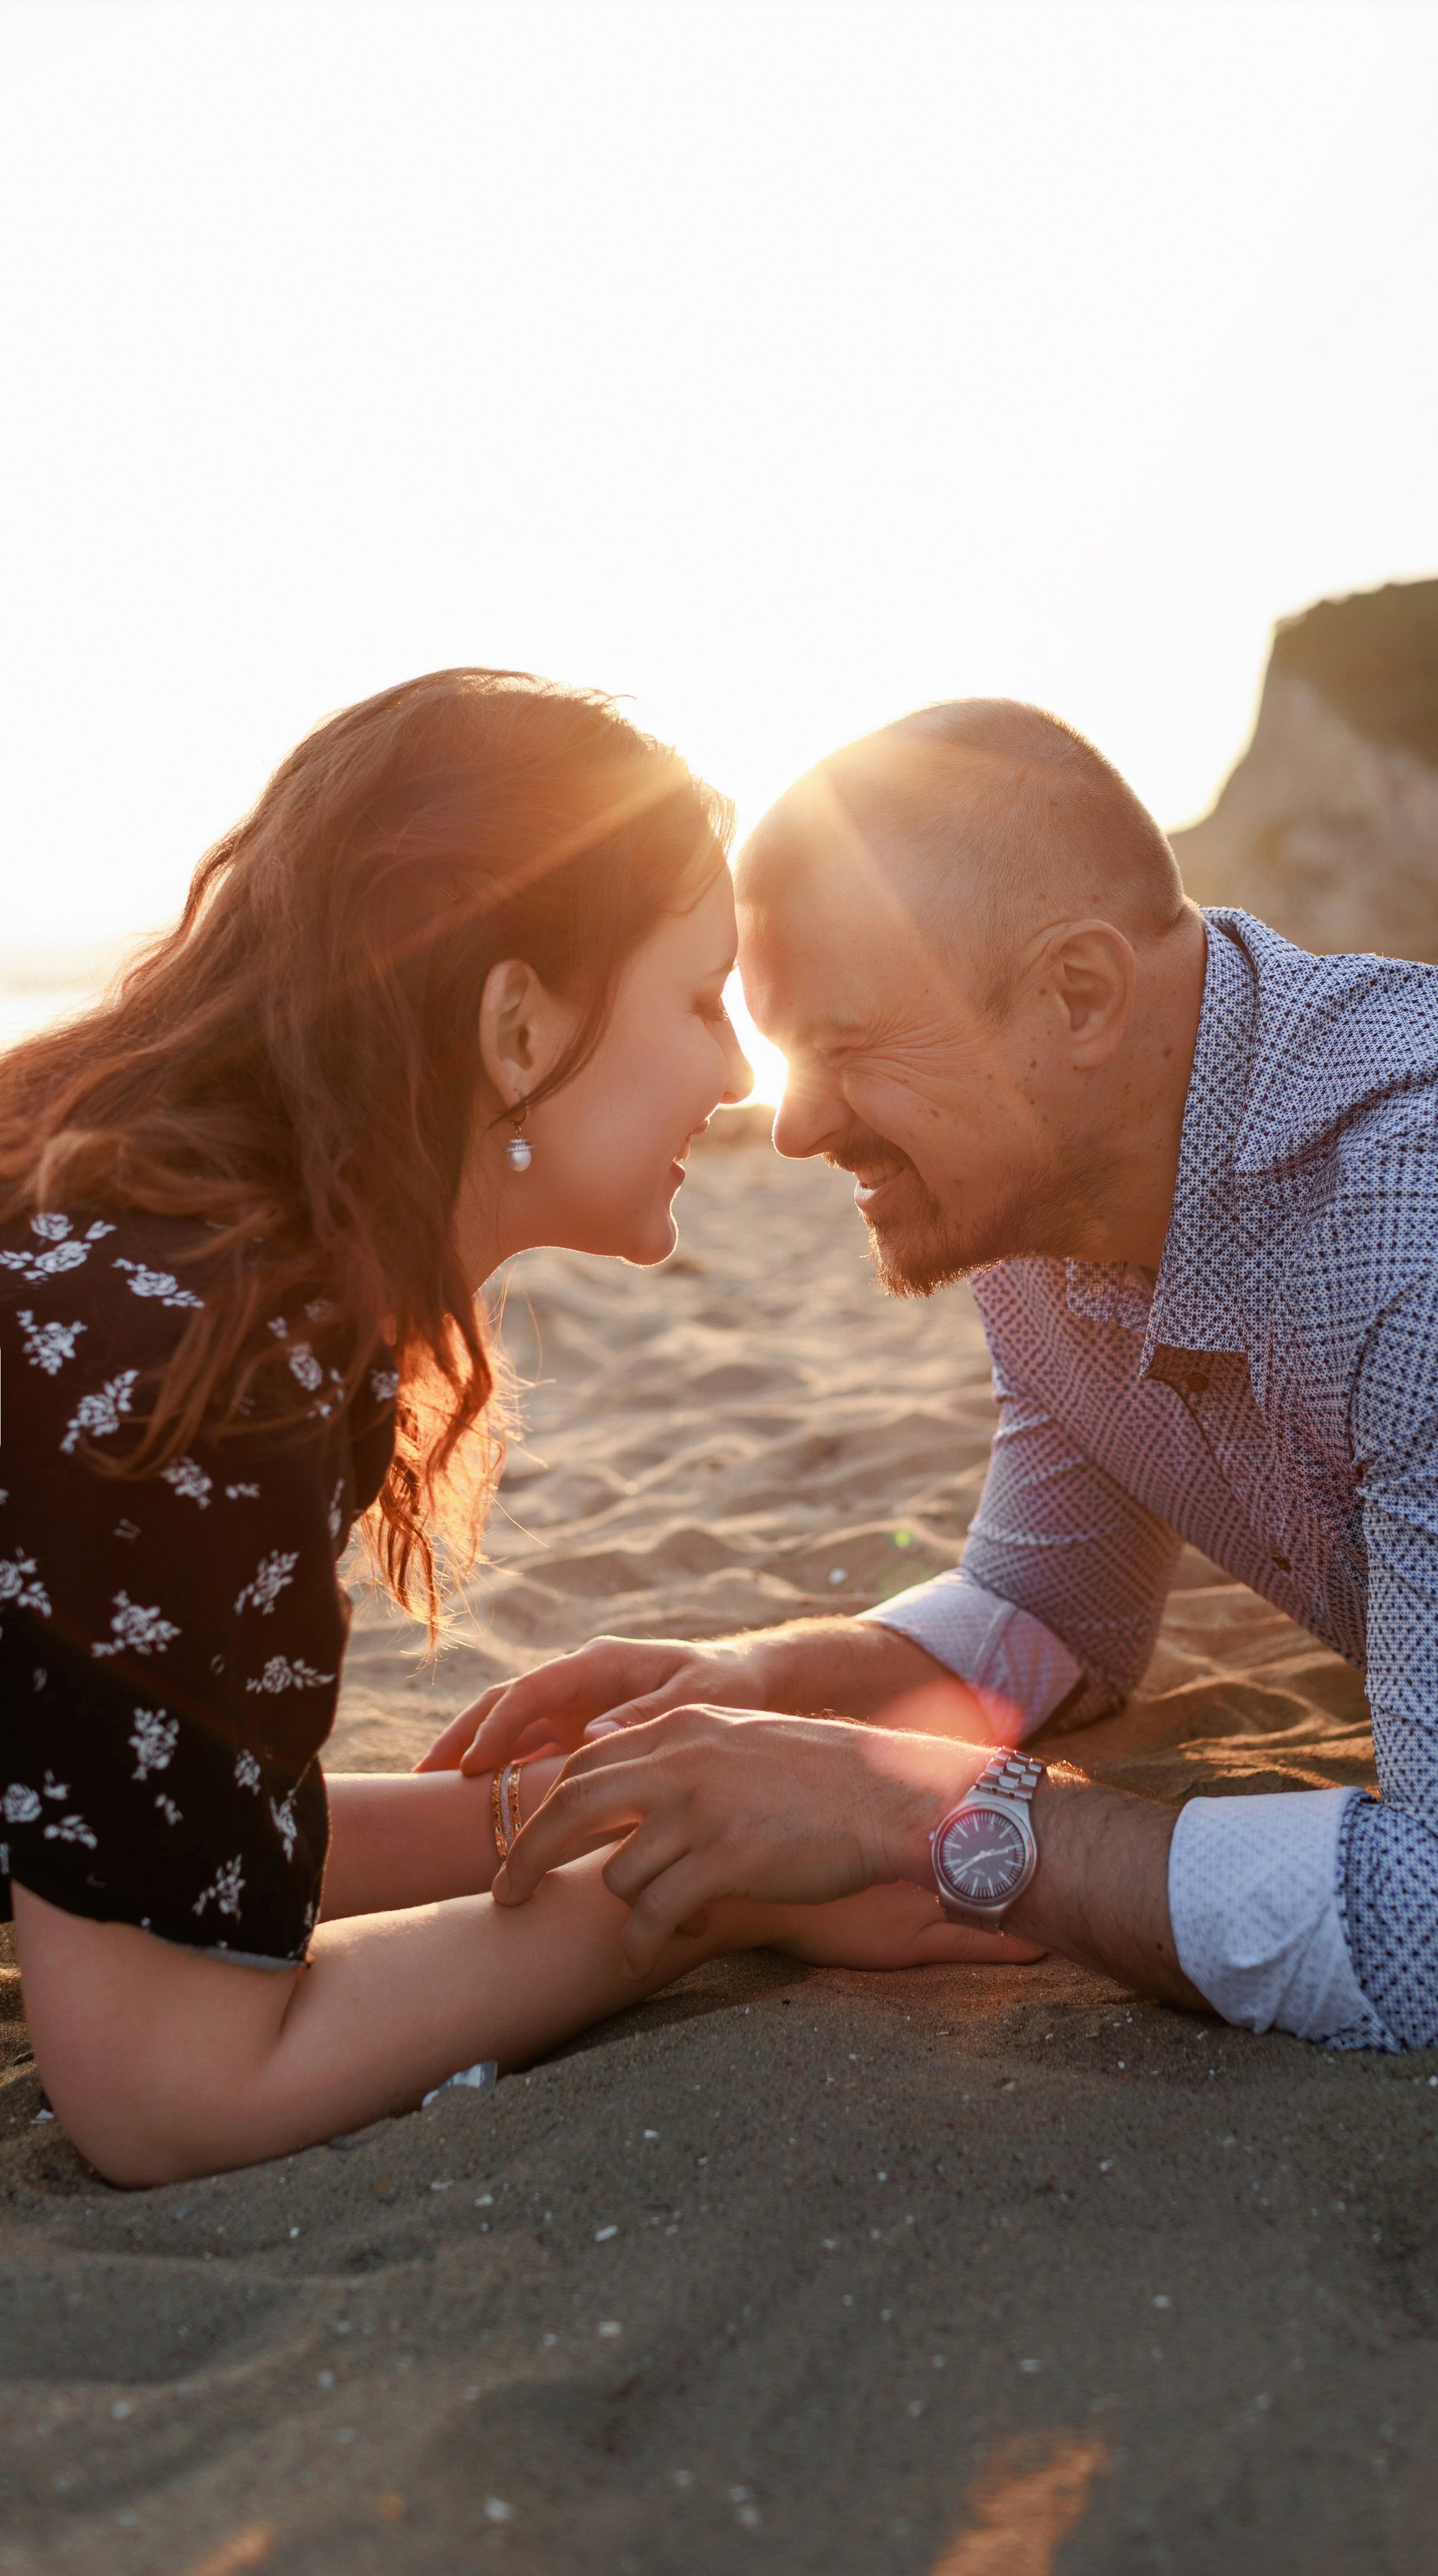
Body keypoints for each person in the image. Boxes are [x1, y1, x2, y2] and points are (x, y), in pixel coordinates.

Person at [434, 696, 1438, 2059]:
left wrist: (904, 1812)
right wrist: (753, 1683)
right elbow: (1051, 1618)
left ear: (1079, 997)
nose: (796, 1125)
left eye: (846, 1048)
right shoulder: (1045, 1219)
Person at [0, 673, 1034, 2188]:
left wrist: (551, 1815)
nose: (739, 1075)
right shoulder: (194, 1355)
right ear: (514, 1024)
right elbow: (171, 2087)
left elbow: (138, 1833)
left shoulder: (150, 1258)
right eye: (695, 999)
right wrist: (688, 1892)